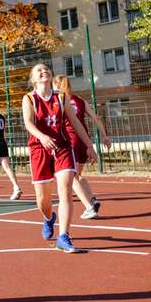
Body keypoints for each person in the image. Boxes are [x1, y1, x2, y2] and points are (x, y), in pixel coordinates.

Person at [22, 63, 95, 253]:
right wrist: (42, 137)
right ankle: (48, 218)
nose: (43, 71)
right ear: (33, 79)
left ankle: (64, 236)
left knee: (65, 191)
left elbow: (75, 122)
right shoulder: (29, 98)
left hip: (62, 147)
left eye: (46, 69)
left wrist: (89, 145)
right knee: (42, 200)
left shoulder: (61, 97)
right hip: (39, 149)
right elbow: (28, 123)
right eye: (39, 70)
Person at [53, 75, 112, 219]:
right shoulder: (80, 100)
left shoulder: (57, 101)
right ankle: (92, 199)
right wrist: (105, 136)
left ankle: (89, 207)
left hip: (70, 141)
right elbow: (96, 118)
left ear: (56, 85)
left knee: (71, 178)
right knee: (78, 175)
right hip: (84, 142)